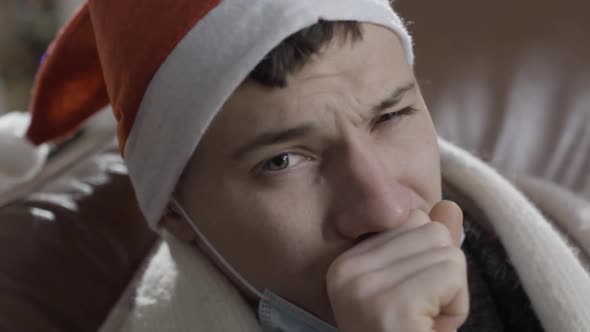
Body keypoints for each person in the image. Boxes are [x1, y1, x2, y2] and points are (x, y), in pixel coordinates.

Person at [22, 0, 590, 331]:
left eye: (390, 116)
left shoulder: (568, 232)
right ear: (174, 213)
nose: (387, 208)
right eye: (284, 160)